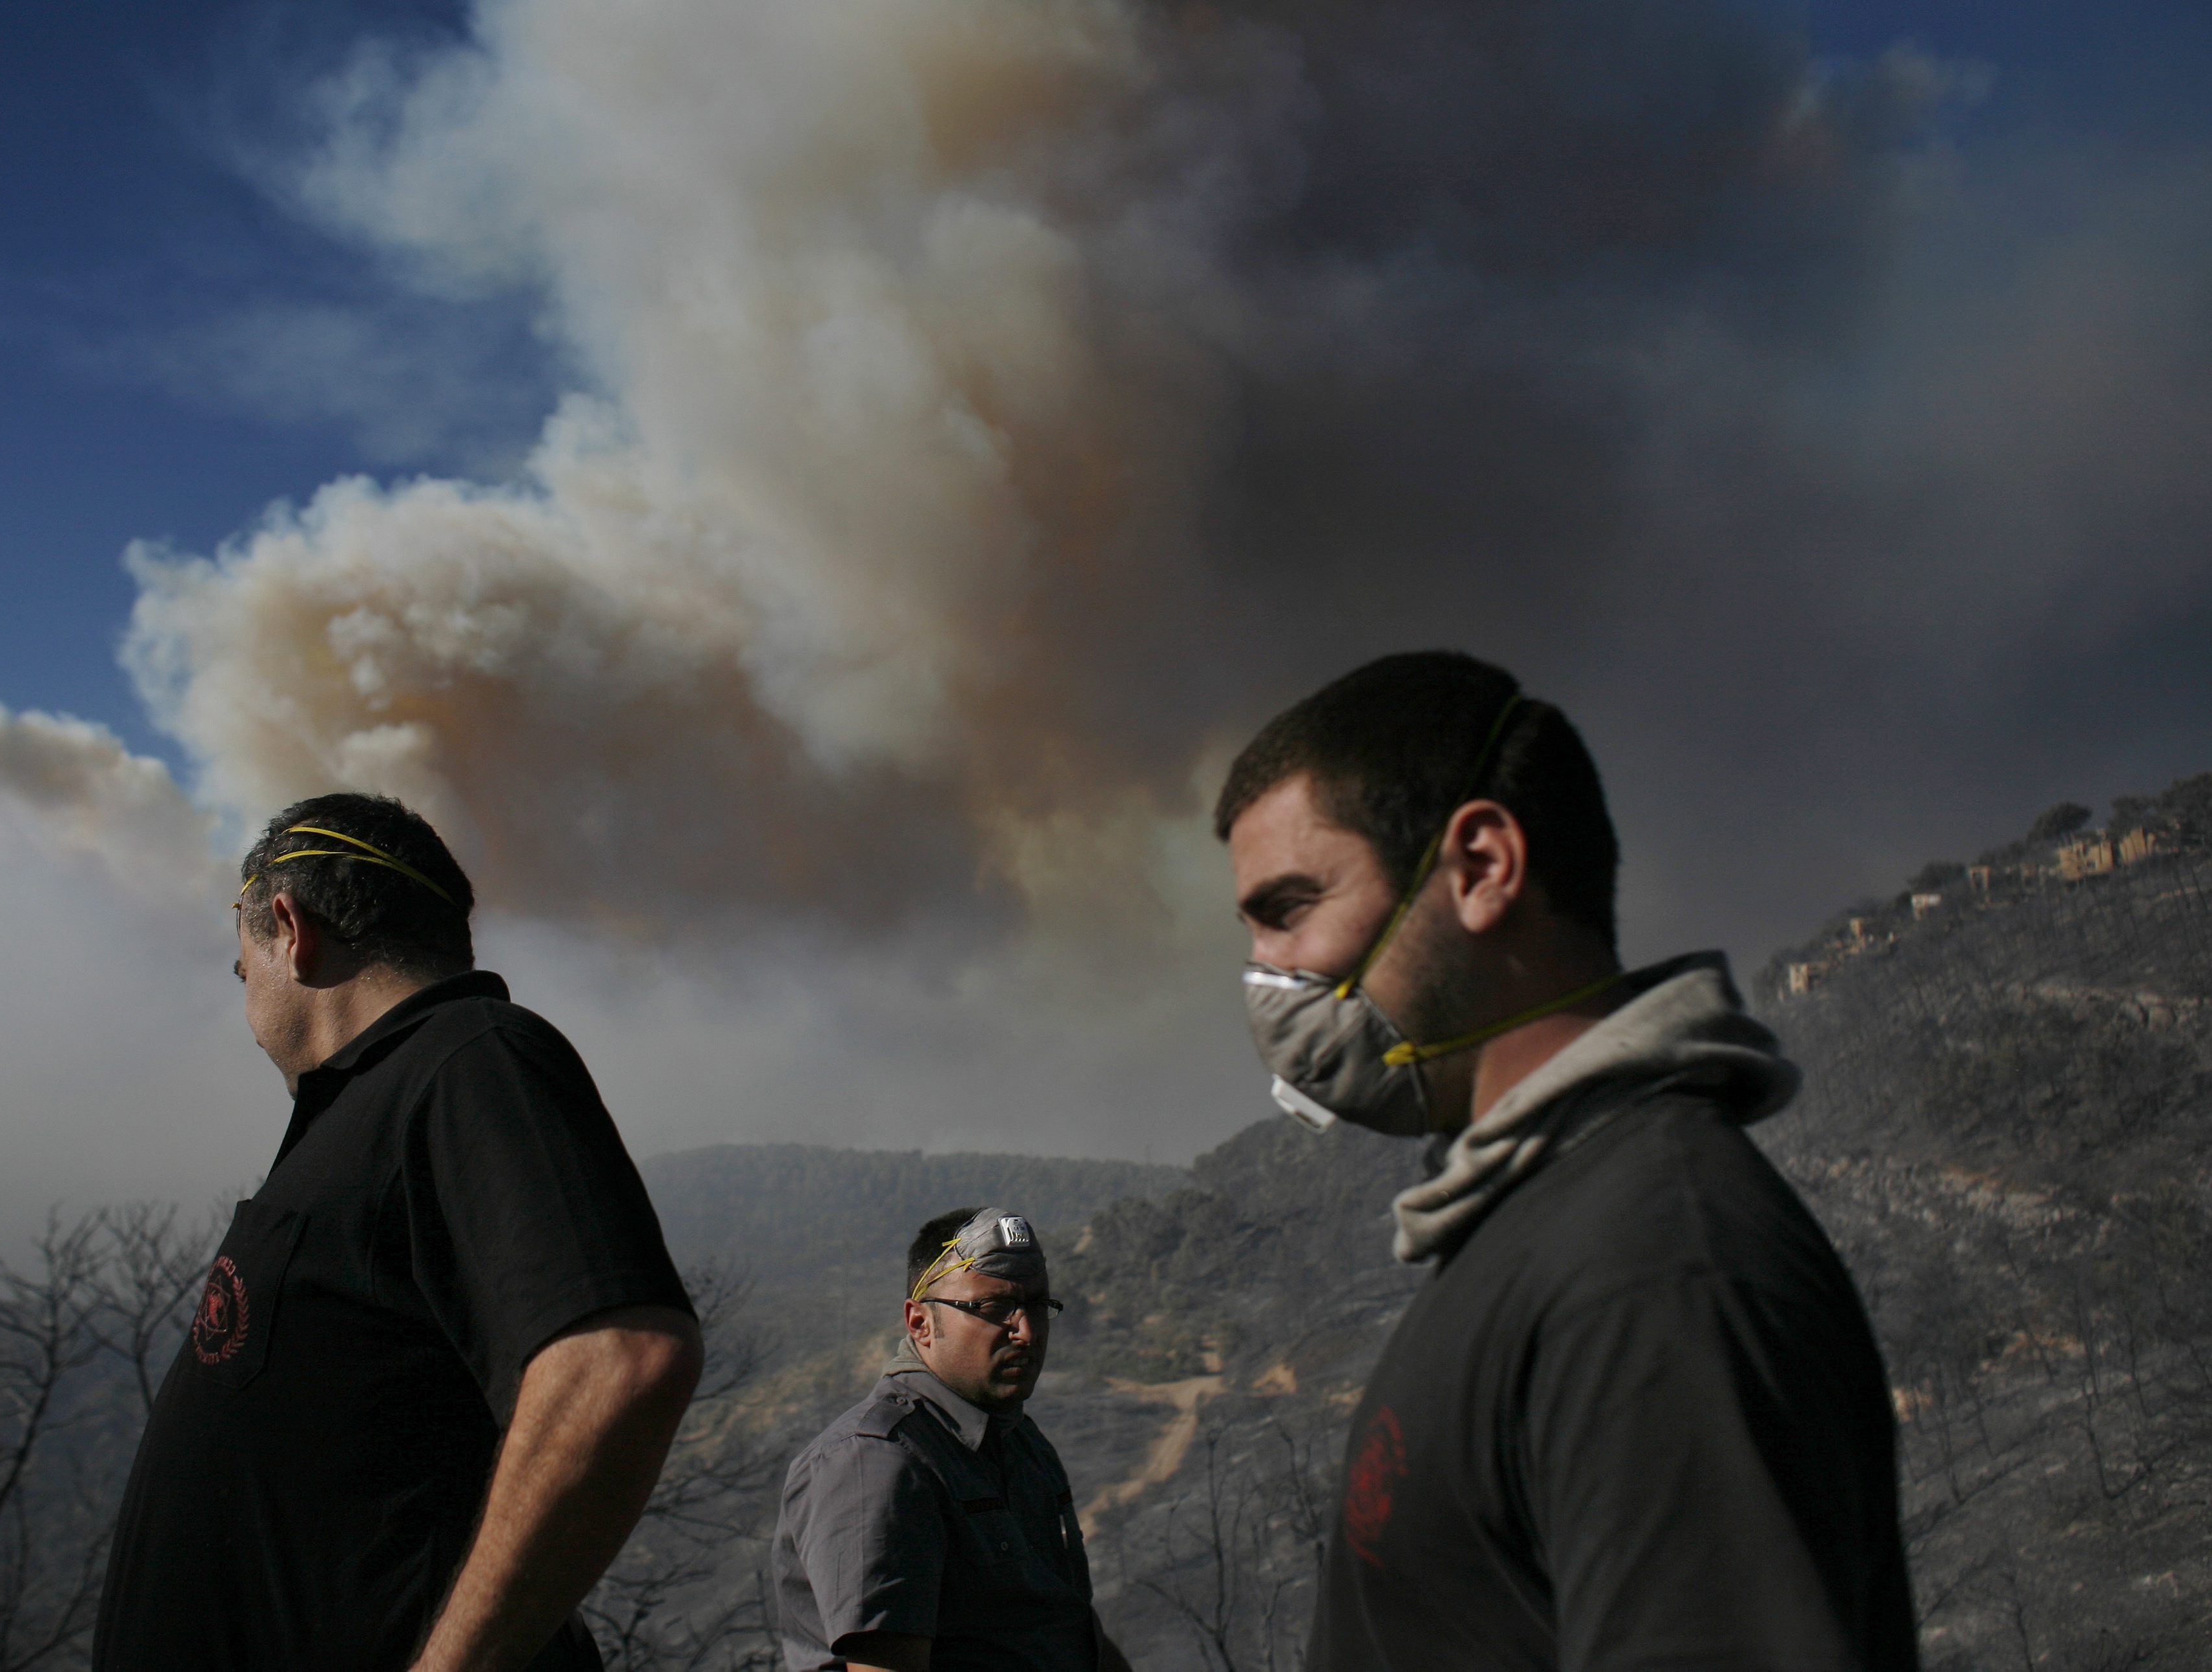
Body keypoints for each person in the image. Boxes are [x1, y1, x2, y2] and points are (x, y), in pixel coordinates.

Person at [1216, 651, 1916, 1671]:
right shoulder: (1541, 1224)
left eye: (1289, 908)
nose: (1267, 974)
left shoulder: (1653, 1271)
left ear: (1483, 867)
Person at [95, 793, 702, 1672]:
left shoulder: (471, 1054)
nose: (245, 997)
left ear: (288, 925)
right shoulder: (378, 1101)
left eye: (240, 970)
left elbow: (621, 1356)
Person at [771, 1208, 1133, 1672]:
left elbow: (1066, 1628)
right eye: (992, 1308)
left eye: (1037, 1306)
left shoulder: (1020, 1443)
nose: (1025, 1332)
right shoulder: (877, 1463)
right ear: (920, 1324)